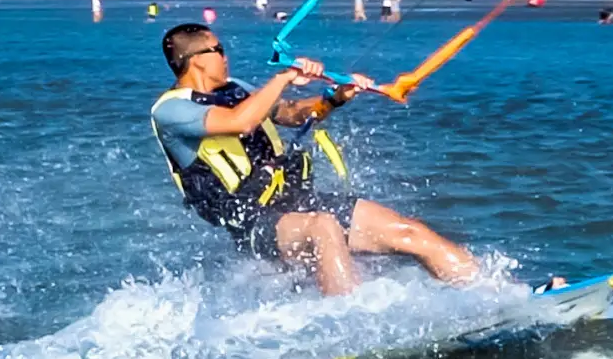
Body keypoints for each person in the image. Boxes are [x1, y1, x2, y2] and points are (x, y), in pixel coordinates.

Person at [149, 23, 479, 296]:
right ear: (195, 58)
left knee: (408, 231)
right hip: (252, 222)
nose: (225, 56)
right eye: (218, 50)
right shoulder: (171, 109)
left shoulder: (235, 88)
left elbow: (291, 113)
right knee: (324, 226)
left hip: (296, 201)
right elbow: (240, 122)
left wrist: (333, 98)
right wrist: (283, 78)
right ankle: (349, 331)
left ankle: (494, 295)